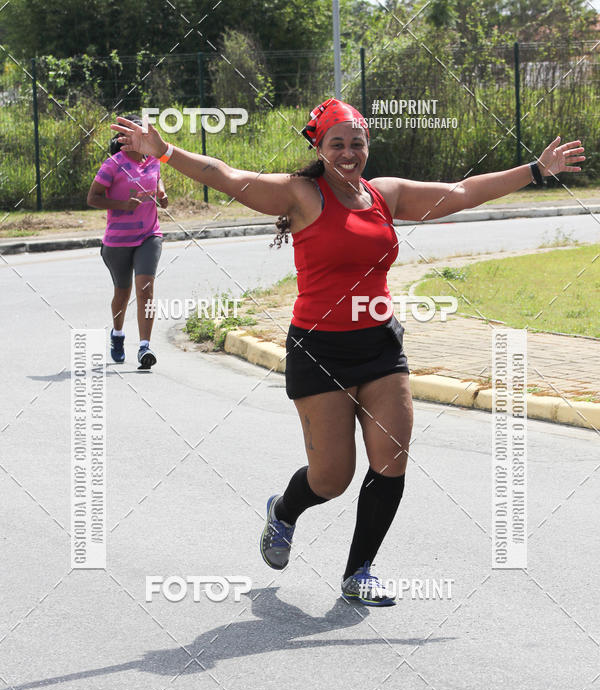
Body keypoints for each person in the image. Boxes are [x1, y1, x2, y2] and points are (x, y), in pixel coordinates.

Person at [110, 103, 584, 605]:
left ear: (367, 145)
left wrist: (535, 170)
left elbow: (462, 193)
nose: (348, 152)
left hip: (380, 346)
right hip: (319, 350)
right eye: (337, 143)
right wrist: (165, 152)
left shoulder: (385, 195)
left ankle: (359, 571)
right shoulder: (301, 194)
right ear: (319, 148)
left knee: (392, 458)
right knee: (332, 477)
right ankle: (284, 512)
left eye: (356, 142)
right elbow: (227, 177)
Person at [87, 113, 168, 369]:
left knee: (146, 290)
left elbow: (157, 178)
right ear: (125, 137)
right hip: (118, 241)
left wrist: (162, 193)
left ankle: (145, 347)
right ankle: (118, 335)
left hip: (149, 235)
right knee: (122, 294)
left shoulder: (154, 160)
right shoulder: (113, 165)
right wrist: (122, 204)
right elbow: (93, 198)